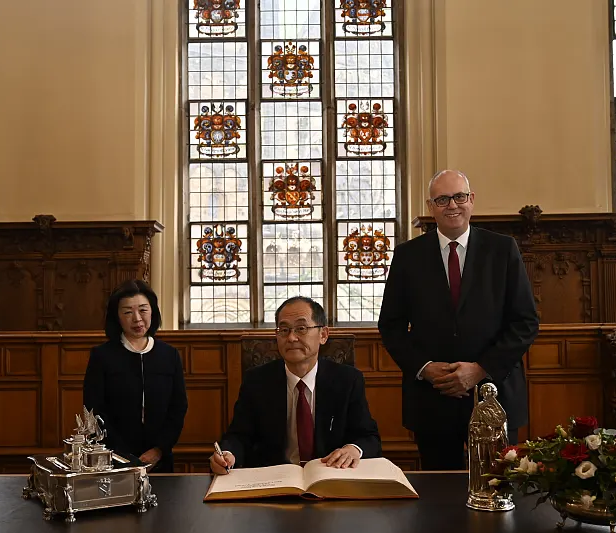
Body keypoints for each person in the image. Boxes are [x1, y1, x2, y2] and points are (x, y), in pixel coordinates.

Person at [377, 170, 539, 470]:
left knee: (498, 488)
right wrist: (425, 369)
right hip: (432, 397)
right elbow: (391, 326)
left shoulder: (503, 250)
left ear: (471, 200)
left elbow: (525, 322)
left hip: (495, 393)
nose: (452, 205)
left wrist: (481, 370)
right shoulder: (407, 256)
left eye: (459, 197)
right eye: (442, 199)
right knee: (439, 502)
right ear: (431, 207)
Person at [210, 296, 381, 474]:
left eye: (301, 328)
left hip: (330, 478)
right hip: (274, 480)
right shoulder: (257, 381)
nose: (291, 338)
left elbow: (369, 437)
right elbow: (239, 436)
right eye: (284, 330)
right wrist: (228, 454)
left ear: (323, 335)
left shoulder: (348, 380)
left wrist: (353, 449)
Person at [83, 279, 188, 473]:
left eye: (143, 310)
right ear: (117, 317)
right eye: (128, 312)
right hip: (113, 460)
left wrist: (158, 450)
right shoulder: (102, 356)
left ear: (153, 311)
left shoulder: (169, 355)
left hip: (159, 460)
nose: (137, 319)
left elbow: (178, 407)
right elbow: (94, 409)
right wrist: (122, 455)